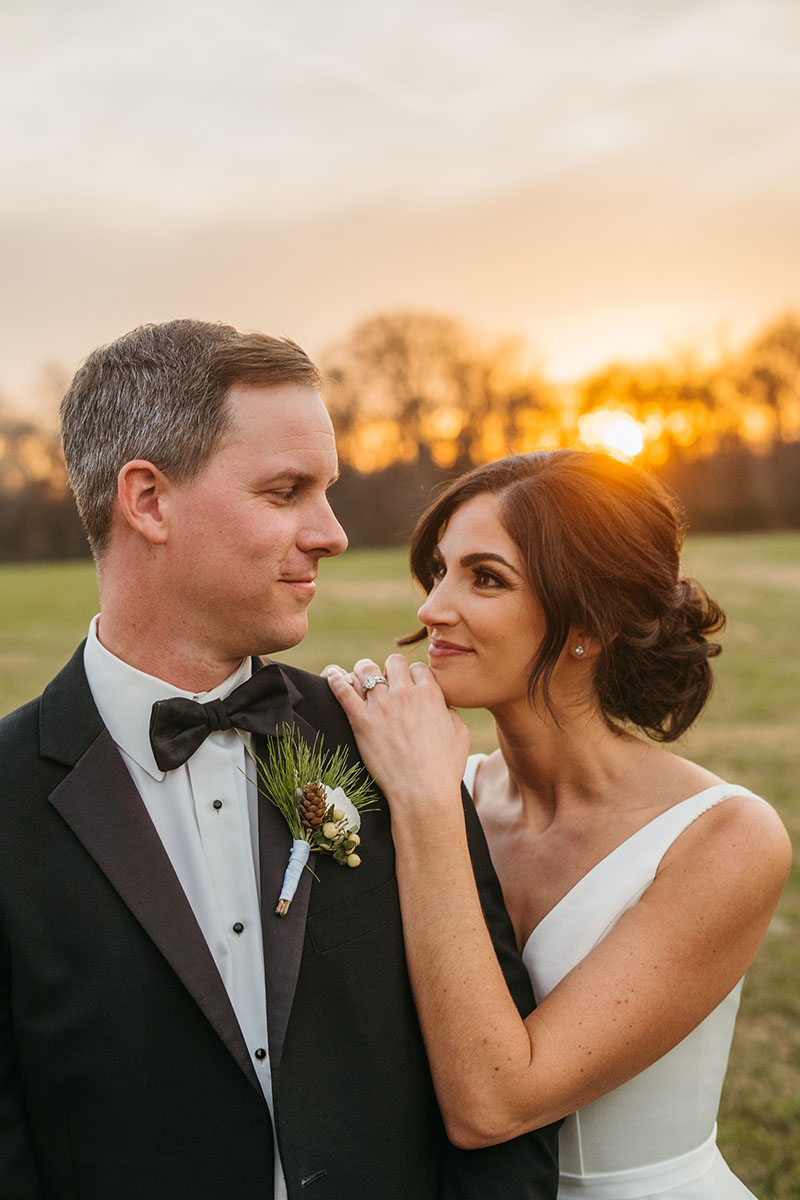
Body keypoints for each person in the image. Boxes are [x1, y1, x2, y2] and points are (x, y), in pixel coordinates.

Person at [0, 322, 560, 1200]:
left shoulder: (385, 745)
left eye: (326, 492)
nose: (332, 534)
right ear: (148, 502)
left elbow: (500, 1110)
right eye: (287, 491)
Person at [326, 449, 792, 1200]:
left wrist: (425, 806)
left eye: (486, 578)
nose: (432, 607)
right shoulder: (455, 787)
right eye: (440, 569)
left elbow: (496, 1102)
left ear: (592, 620)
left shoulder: (725, 838)